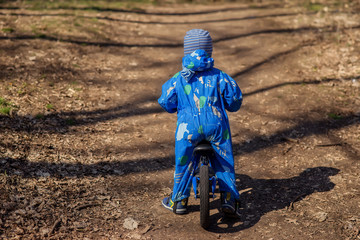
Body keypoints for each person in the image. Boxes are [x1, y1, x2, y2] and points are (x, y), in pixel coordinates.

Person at [158, 29, 243, 217]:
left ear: (186, 52)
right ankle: (228, 199)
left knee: (184, 162)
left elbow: (165, 100)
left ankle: (179, 200)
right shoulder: (220, 76)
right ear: (209, 52)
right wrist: (228, 105)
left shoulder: (179, 78)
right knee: (224, 161)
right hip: (216, 126)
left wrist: (175, 108)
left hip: (187, 129)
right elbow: (235, 100)